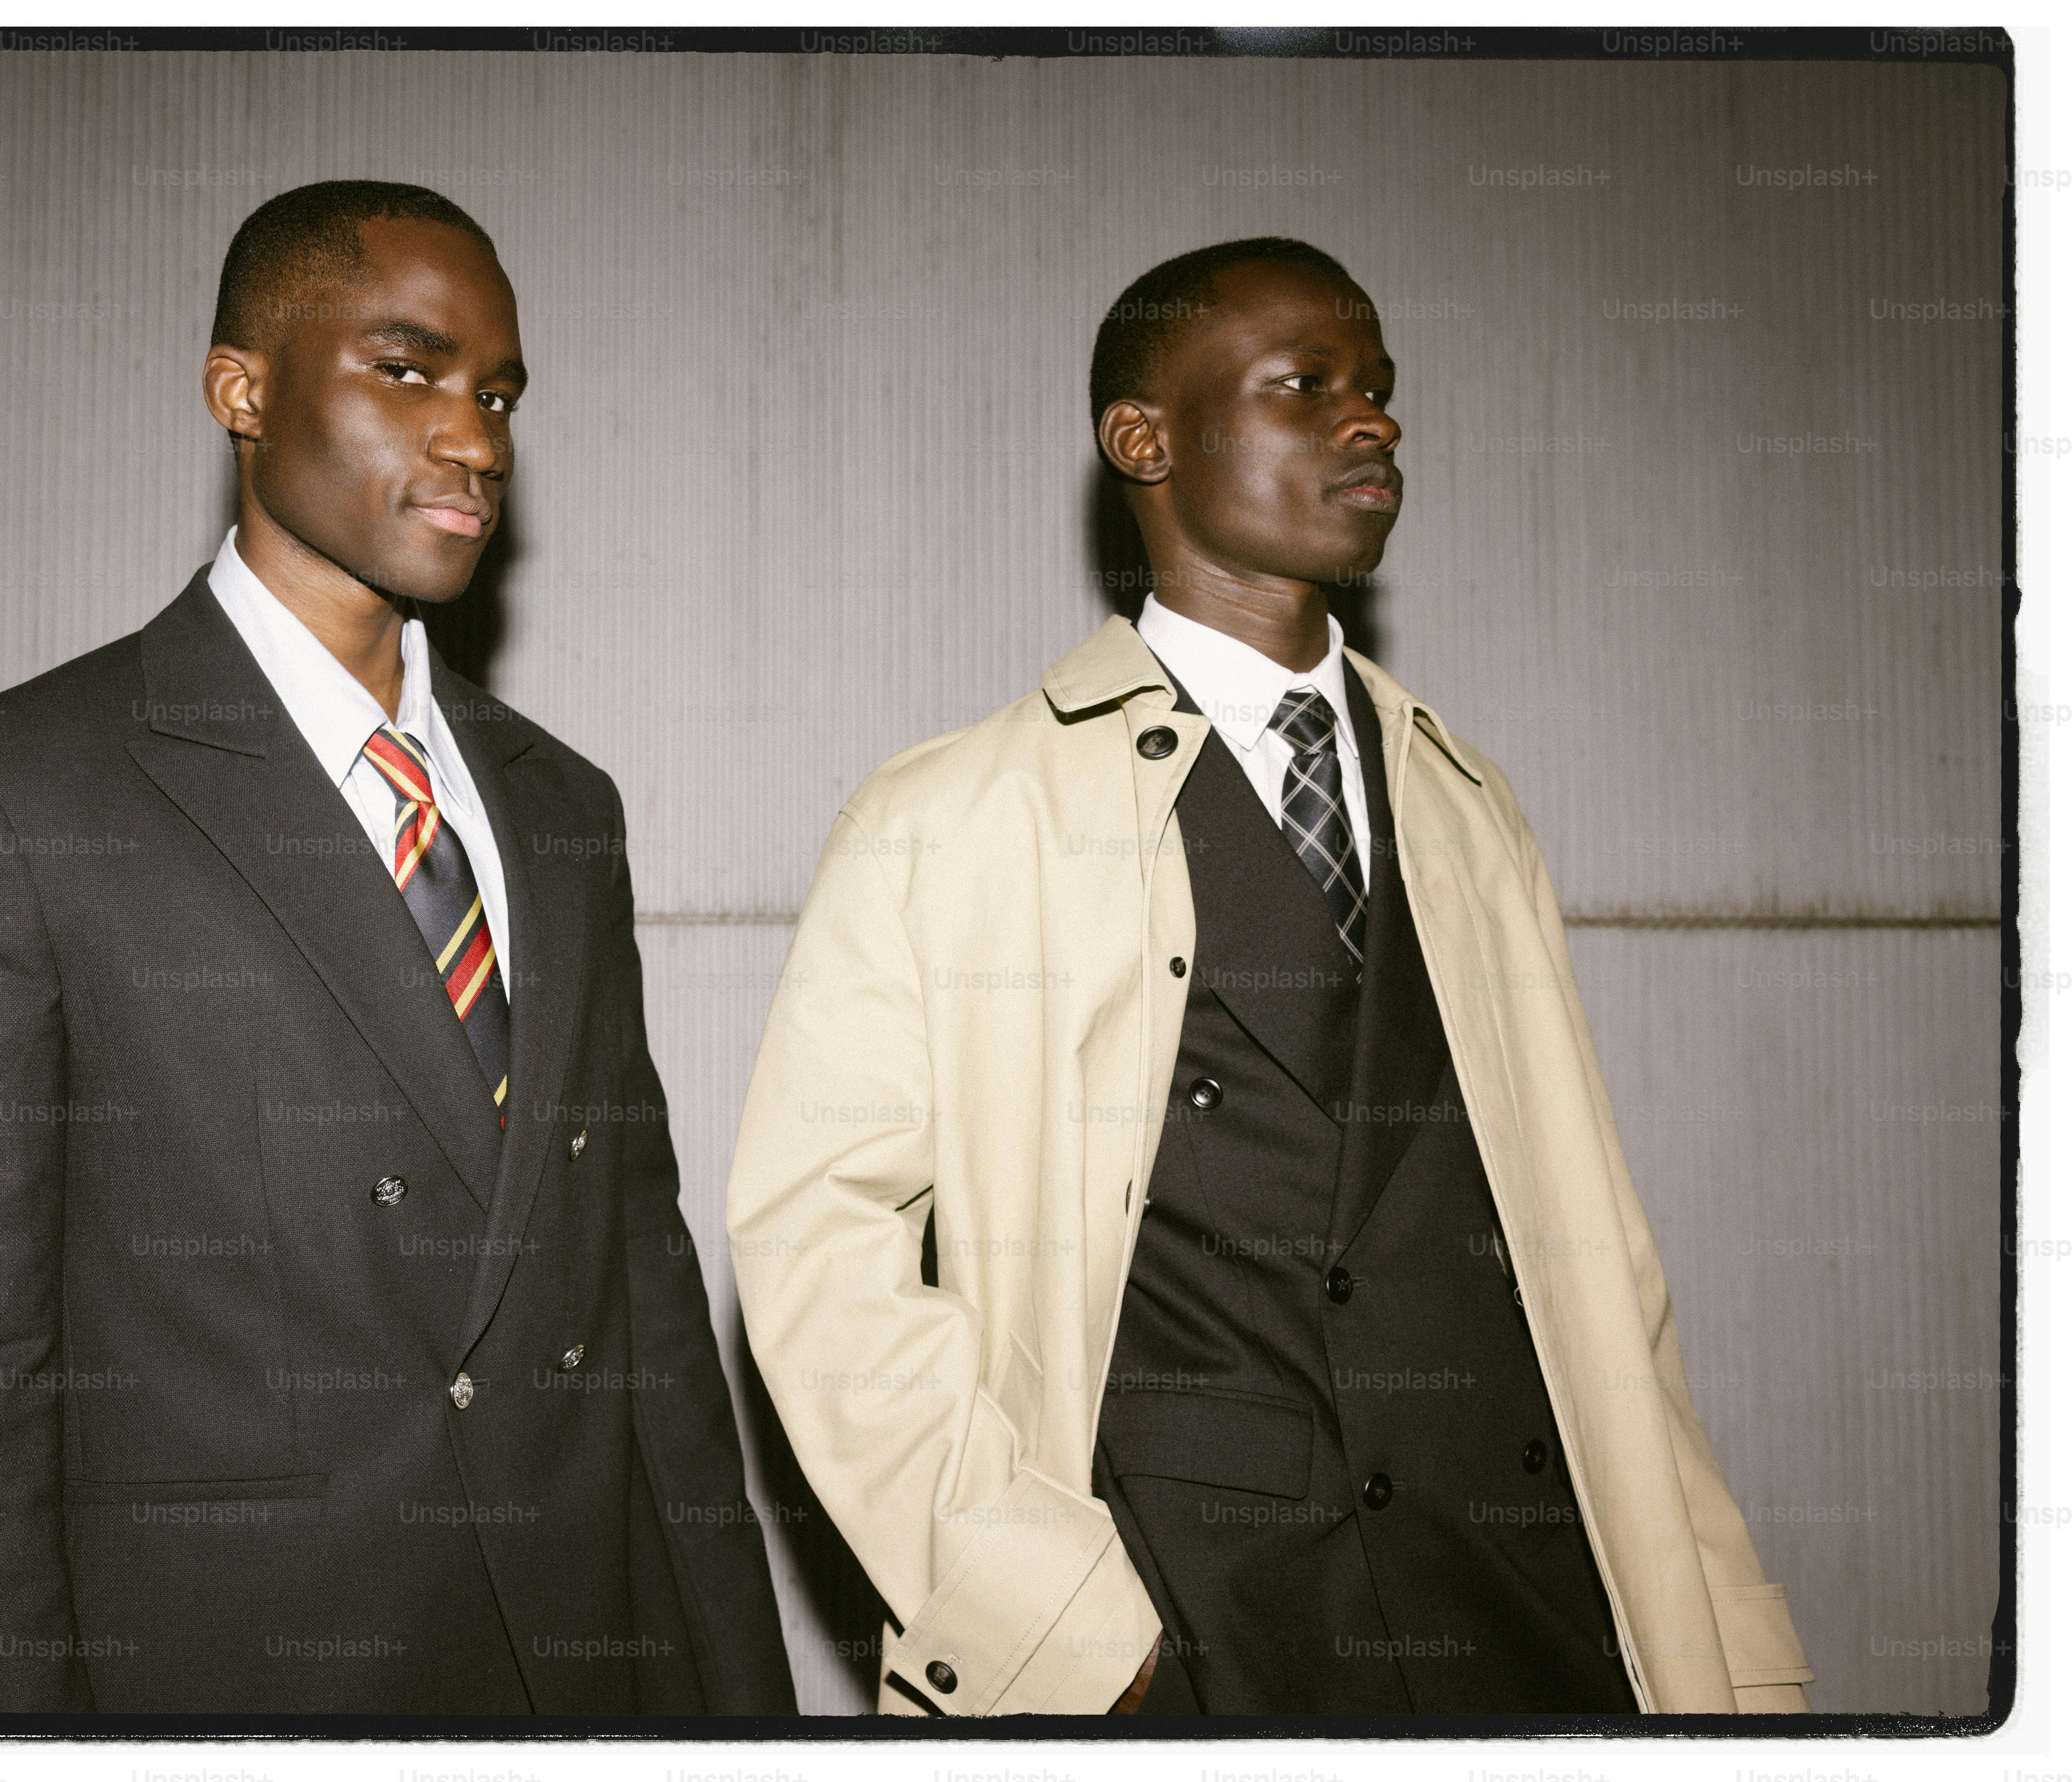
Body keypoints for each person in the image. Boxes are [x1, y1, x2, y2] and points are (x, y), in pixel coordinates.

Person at [725, 237, 1812, 1717]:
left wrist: (1730, 1659)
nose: (1369, 423)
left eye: (1376, 391)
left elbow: (1603, 1275)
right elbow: (816, 1248)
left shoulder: (1468, 804)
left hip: (1533, 1610)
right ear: (1143, 438)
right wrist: (1054, 1625)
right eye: (1304, 386)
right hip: (1196, 1635)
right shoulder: (956, 813)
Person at [0, 180, 792, 1715]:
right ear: (241, 391)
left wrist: (742, 1709)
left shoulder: (562, 808)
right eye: (406, 370)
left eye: (498, 392)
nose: (475, 437)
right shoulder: (3, 796)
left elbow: (645, 1306)